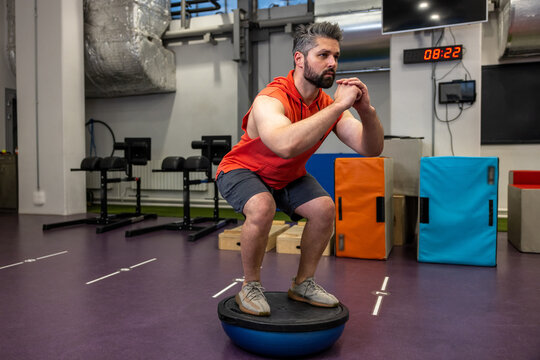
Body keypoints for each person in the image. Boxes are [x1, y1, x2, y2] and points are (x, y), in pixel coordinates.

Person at [216, 22, 384, 316]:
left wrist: (366, 111)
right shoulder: (271, 98)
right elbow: (284, 144)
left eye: (336, 56)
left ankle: (303, 283)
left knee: (323, 209)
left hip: (286, 176)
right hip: (241, 170)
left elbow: (370, 148)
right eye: (323, 55)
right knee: (261, 205)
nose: (332, 63)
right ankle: (250, 286)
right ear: (299, 59)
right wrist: (337, 107)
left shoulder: (325, 102)